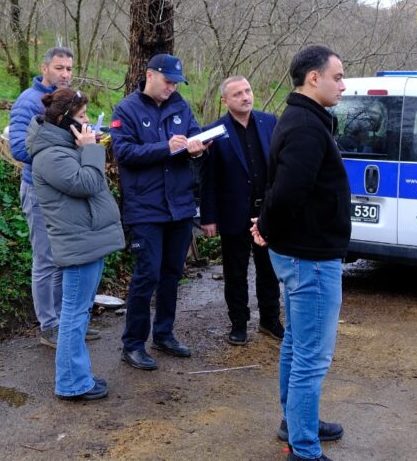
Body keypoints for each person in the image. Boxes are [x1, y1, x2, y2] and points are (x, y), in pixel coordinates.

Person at [252, 45, 348, 461]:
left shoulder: (302, 118)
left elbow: (280, 188)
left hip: (300, 253)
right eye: (338, 76)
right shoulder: (307, 126)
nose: (343, 85)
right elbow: (288, 191)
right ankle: (304, 450)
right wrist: (267, 227)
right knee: (312, 355)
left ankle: (295, 423)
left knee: (295, 343)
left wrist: (265, 225)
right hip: (309, 258)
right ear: (314, 78)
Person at [26, 89, 125, 401]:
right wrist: (91, 149)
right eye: (81, 117)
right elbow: (88, 183)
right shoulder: (50, 155)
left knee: (78, 312)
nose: (87, 123)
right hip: (78, 242)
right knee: (74, 314)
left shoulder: (63, 148)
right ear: (63, 120)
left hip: (87, 239)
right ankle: (71, 383)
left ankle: (76, 377)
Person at [110, 53, 207, 371]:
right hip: (146, 208)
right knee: (147, 274)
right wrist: (166, 147)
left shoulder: (181, 106)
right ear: (150, 75)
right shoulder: (126, 109)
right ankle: (133, 343)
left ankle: (164, 334)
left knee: (171, 274)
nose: (172, 88)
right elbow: (122, 152)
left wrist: (197, 147)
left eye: (176, 83)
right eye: (168, 81)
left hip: (179, 206)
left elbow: (192, 136)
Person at [10, 46, 97, 348]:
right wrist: (68, 144)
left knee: (65, 257)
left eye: (70, 69)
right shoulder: (28, 102)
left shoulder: (69, 99)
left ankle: (67, 321)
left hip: (65, 189)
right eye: (59, 68)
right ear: (44, 68)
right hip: (39, 190)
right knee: (46, 259)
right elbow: (19, 150)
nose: (65, 74)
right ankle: (49, 325)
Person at [200, 76, 283, 345]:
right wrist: (208, 217)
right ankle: (238, 323)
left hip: (268, 213)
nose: (246, 97)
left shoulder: (269, 121)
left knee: (269, 270)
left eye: (248, 91)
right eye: (237, 94)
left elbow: (281, 165)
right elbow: (208, 178)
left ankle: (270, 320)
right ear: (225, 101)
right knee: (235, 272)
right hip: (233, 213)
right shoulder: (214, 131)